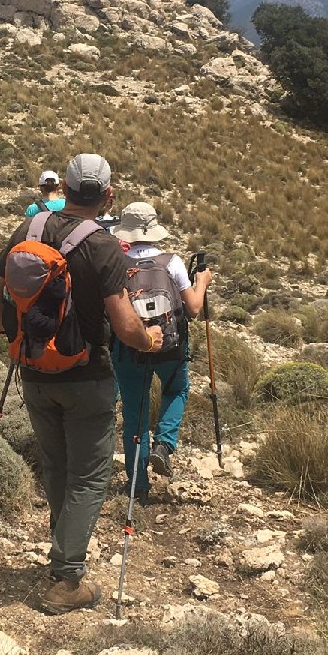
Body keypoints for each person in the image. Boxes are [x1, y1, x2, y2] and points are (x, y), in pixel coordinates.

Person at [0, 154, 163, 615]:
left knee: (57, 465)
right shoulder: (103, 245)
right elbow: (125, 326)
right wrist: (149, 339)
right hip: (86, 376)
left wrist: (16, 336)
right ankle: (67, 578)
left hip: (34, 372)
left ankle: (61, 552)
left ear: (63, 187)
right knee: (89, 475)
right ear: (108, 196)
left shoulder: (30, 228)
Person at [108, 201, 212, 500]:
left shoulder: (116, 265)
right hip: (170, 349)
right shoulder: (172, 262)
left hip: (130, 350)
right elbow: (193, 309)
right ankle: (164, 444)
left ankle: (138, 485)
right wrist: (202, 282)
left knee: (134, 415)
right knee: (176, 390)